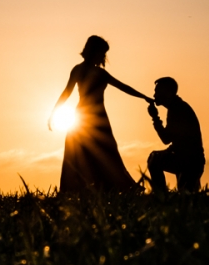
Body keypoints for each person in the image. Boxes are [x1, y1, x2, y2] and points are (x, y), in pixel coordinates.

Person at [49, 35, 152, 198]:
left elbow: (123, 87)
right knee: (82, 152)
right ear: (93, 51)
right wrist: (54, 113)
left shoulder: (95, 72)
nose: (103, 57)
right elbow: (66, 92)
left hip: (91, 117)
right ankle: (82, 189)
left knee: (105, 152)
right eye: (101, 53)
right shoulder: (85, 71)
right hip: (88, 117)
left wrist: (143, 97)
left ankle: (106, 188)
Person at [146, 77, 204, 192]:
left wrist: (155, 118)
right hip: (190, 160)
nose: (154, 95)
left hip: (188, 162)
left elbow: (166, 138)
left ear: (168, 92)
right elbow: (180, 141)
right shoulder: (178, 107)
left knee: (154, 159)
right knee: (187, 194)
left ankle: (160, 195)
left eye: (157, 91)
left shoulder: (178, 109)